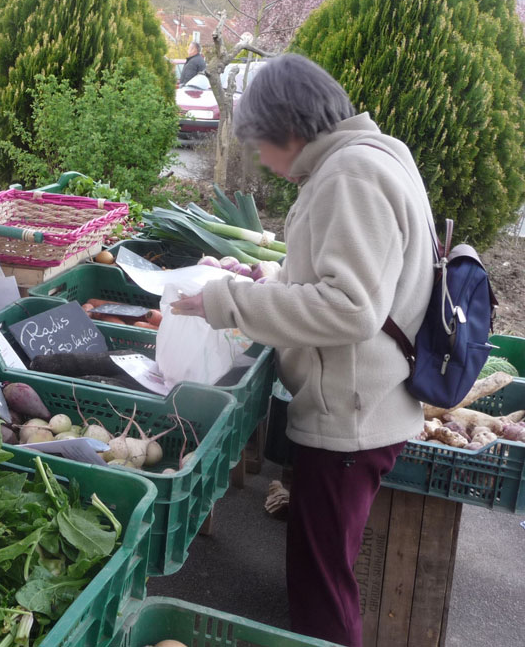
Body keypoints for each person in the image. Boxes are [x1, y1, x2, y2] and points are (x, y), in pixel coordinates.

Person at [170, 54, 433, 647]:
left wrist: (230, 302)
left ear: (289, 130)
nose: (262, 160)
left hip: (352, 419)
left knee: (321, 590)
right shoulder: (372, 154)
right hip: (366, 406)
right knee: (324, 573)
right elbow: (351, 280)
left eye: (261, 144)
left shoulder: (349, 176)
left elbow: (351, 308)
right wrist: (268, 283)